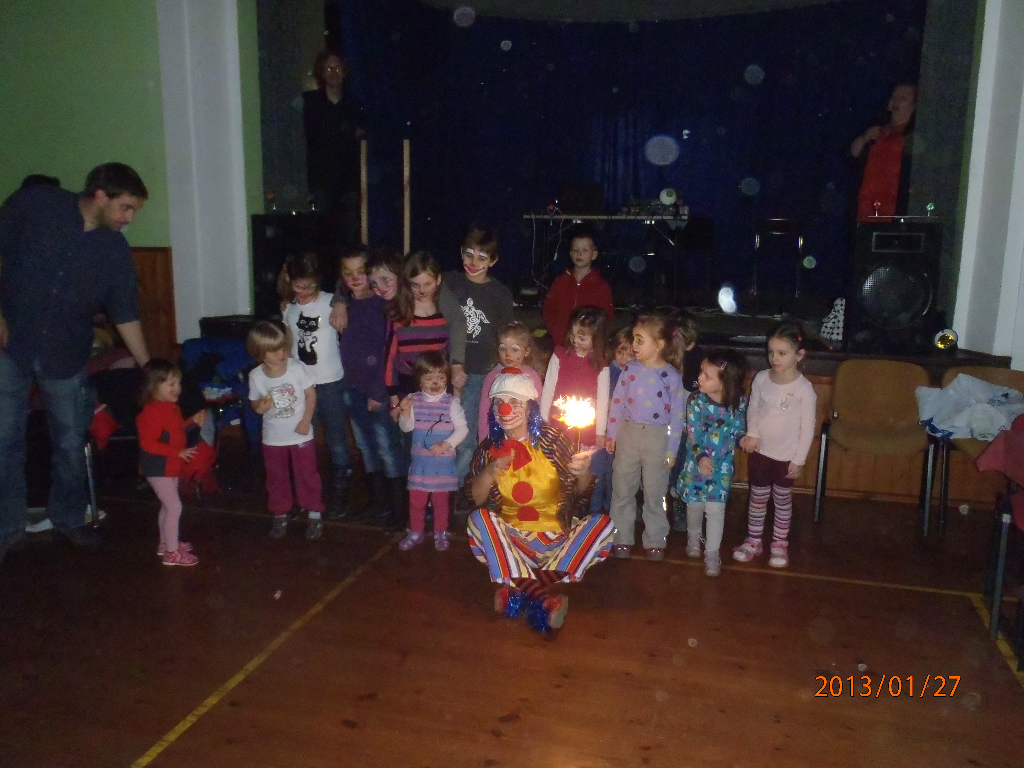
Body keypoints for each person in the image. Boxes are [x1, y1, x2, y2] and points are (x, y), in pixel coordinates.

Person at [0, 162, 150, 556]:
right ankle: (7, 526)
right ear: (100, 195)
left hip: (66, 354)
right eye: (126, 207)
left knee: (69, 442)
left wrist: (148, 367)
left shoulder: (113, 250)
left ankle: (68, 519)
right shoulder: (36, 204)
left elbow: (125, 313)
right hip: (10, 346)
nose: (129, 218)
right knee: (4, 440)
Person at [465, 371, 613, 635]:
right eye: (499, 402)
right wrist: (488, 474)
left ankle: (520, 588)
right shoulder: (488, 450)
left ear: (529, 407)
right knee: (477, 521)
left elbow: (580, 494)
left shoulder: (552, 440)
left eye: (514, 402)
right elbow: (474, 499)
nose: (505, 409)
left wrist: (584, 473)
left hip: (557, 540)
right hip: (513, 543)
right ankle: (544, 595)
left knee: (603, 524)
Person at [606, 313, 688, 561]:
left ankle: (655, 538)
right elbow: (617, 403)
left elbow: (677, 417)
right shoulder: (629, 369)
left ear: (659, 344)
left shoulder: (672, 377)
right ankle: (621, 536)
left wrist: (672, 450)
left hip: (657, 438)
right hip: (629, 434)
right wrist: (612, 434)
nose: (634, 345)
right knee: (622, 488)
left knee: (655, 492)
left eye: (640, 340)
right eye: (634, 339)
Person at [735, 322, 816, 569]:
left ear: (799, 355)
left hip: (786, 457)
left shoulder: (804, 389)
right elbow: (753, 409)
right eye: (771, 352)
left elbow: (808, 428)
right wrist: (752, 433)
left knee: (781, 500)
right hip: (761, 452)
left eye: (782, 353)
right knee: (757, 497)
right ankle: (754, 540)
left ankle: (779, 543)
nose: (774, 358)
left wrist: (798, 459)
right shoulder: (761, 378)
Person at [438, 226, 514, 482]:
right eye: (469, 254)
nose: (473, 262)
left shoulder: (500, 293)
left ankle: (454, 486)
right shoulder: (448, 282)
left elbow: (506, 334)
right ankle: (443, 483)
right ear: (461, 253)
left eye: (482, 257)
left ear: (493, 260)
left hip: (481, 372)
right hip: (446, 369)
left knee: (469, 437)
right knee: (445, 431)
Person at [336, 246, 406, 524]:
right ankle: (378, 503)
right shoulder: (346, 303)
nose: (354, 278)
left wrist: (379, 391)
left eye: (361, 272)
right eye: (348, 273)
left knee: (387, 448)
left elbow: (388, 354)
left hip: (377, 391)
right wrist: (339, 301)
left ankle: (398, 511)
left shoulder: (383, 306)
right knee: (365, 447)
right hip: (352, 389)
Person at [280, 253, 351, 519]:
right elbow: (289, 344)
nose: (306, 292)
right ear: (289, 280)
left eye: (311, 286)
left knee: (336, 440)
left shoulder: (330, 301)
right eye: (300, 286)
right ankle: (305, 494)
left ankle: (340, 493)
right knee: (300, 439)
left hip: (330, 382)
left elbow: (349, 293)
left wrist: (341, 304)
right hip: (301, 385)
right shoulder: (289, 309)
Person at [246, 321, 325, 541]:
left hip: (300, 433)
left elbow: (311, 394)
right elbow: (255, 403)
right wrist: (260, 407)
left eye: (282, 348)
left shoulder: (296, 368)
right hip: (273, 437)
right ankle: (280, 513)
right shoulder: (256, 376)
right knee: (276, 477)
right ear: (260, 354)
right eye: (274, 351)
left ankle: (314, 514)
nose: (281, 354)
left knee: (307, 475)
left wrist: (306, 421)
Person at [678, 349, 748, 577]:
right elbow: (693, 432)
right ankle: (693, 536)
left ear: (725, 382)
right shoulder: (695, 400)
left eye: (707, 376)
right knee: (695, 505)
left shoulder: (738, 403)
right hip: (696, 463)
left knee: (716, 509)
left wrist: (744, 439)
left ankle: (712, 552)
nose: (699, 378)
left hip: (721, 467)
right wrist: (701, 457)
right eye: (701, 372)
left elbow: (738, 429)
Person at [136, 359, 204, 566]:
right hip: (159, 467)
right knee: (174, 507)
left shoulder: (169, 407)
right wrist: (177, 452)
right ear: (153, 386)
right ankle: (172, 553)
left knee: (167, 507)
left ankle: (165, 543)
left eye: (178, 383)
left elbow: (175, 431)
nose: (177, 388)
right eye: (171, 384)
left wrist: (191, 422)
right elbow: (148, 443)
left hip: (169, 466)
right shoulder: (153, 411)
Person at [397, 352, 468, 551]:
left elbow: (463, 429)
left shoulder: (451, 403)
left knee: (441, 502)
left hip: (442, 465)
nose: (435, 383)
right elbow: (406, 428)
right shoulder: (413, 399)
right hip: (420, 465)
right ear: (419, 379)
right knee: (416, 502)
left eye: (440, 377)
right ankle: (416, 531)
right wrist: (405, 412)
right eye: (429, 378)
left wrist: (446, 444)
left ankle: (440, 532)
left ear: (447, 379)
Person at [303, 51, 365, 246]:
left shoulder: (353, 105)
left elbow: (362, 134)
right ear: (321, 73)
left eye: (337, 68)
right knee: (320, 235)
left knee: (348, 237)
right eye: (329, 68)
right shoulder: (311, 103)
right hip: (321, 181)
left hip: (348, 183)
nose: (333, 72)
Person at [540, 306, 611, 452]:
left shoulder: (601, 365)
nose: (575, 341)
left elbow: (602, 400)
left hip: (586, 429)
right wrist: (543, 420)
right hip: (558, 424)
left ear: (596, 338)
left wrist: (600, 431)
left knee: (579, 460)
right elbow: (548, 389)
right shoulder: (560, 355)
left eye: (582, 338)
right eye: (573, 335)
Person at [386, 251, 450, 406]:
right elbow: (390, 356)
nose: (422, 290)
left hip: (439, 387)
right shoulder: (398, 315)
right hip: (407, 386)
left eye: (428, 284)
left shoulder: (446, 313)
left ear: (438, 280)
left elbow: (450, 352)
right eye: (415, 284)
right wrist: (392, 394)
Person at [850, 82, 917, 222]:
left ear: (913, 106)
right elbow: (852, 156)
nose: (896, 101)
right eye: (894, 96)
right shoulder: (878, 129)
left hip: (895, 209)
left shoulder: (914, 135)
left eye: (903, 98)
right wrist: (864, 138)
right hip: (867, 206)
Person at [542, 223, 614, 345]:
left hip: (588, 344)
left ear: (594, 255)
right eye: (575, 250)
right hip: (561, 341)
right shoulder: (560, 281)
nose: (579, 254)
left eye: (585, 250)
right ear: (570, 253)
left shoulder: (601, 286)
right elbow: (549, 309)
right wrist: (555, 332)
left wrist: (594, 337)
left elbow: (606, 315)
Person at [589, 326, 634, 515]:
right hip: (602, 430)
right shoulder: (608, 371)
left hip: (621, 434)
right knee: (597, 471)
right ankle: (593, 512)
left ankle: (611, 512)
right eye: (620, 352)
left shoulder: (634, 375)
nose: (623, 359)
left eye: (629, 355)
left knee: (615, 475)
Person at [477, 321, 543, 441]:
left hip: (525, 437)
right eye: (503, 349)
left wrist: (535, 438)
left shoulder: (532, 377)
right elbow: (484, 413)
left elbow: (538, 409)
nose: (508, 354)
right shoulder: (492, 377)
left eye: (514, 350)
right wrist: (484, 441)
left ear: (526, 351)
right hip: (499, 437)